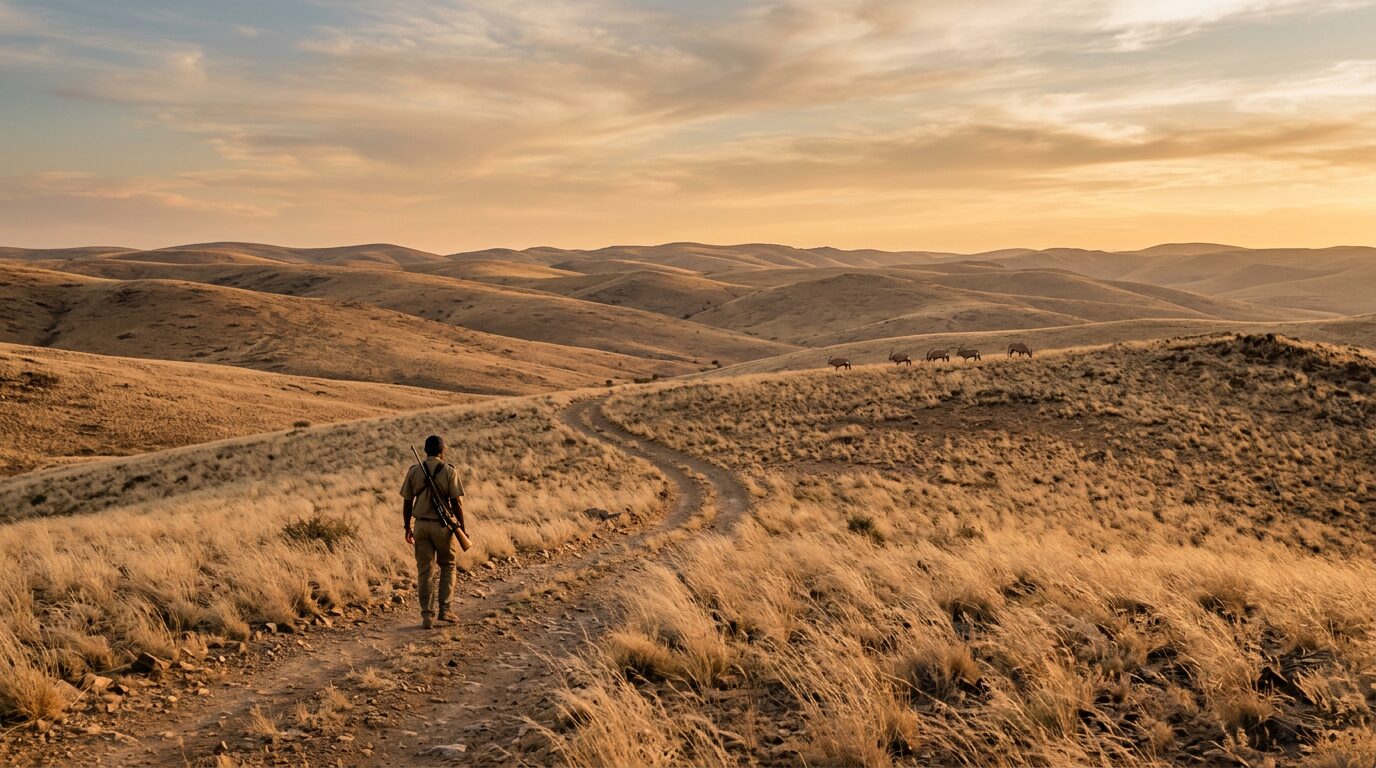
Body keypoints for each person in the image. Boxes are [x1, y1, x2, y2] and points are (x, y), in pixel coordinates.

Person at [400, 435, 466, 629]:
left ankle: (427, 617)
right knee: (447, 566)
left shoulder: (414, 471)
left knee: (425, 572)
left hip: (420, 525)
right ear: (442, 451)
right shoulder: (449, 471)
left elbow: (407, 501)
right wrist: (462, 528)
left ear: (425, 451)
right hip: (443, 527)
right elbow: (456, 503)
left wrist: (407, 527)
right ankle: (445, 610)